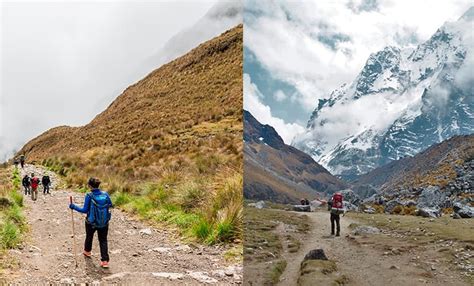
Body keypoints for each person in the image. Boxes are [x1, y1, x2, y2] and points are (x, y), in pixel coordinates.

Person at [69, 178, 113, 268]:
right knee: (103, 240)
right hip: (104, 222)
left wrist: (73, 206)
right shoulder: (105, 194)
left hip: (91, 222)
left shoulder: (89, 195)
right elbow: (111, 205)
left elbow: (85, 210)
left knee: (89, 236)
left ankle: (87, 251)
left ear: (89, 186)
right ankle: (105, 261)